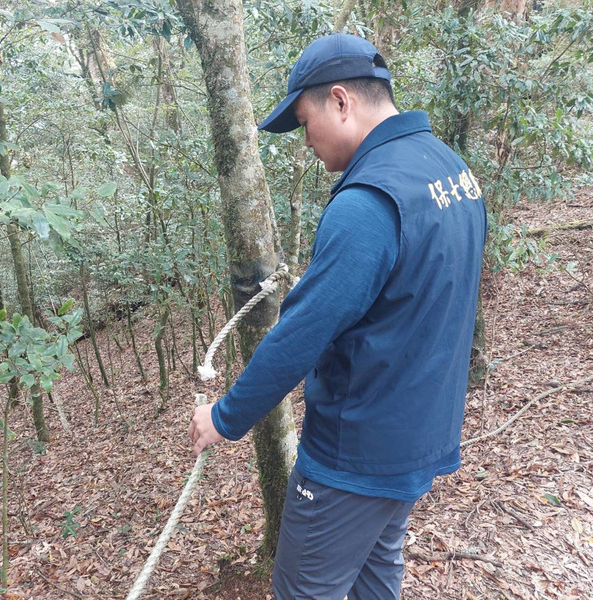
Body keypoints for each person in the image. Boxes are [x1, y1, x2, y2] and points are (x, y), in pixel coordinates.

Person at [188, 33, 487, 599]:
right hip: (416, 441)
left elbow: (298, 337)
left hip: (353, 457)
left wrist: (224, 418)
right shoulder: (450, 169)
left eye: (304, 122)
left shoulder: (366, 203)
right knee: (376, 578)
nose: (306, 142)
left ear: (341, 102)